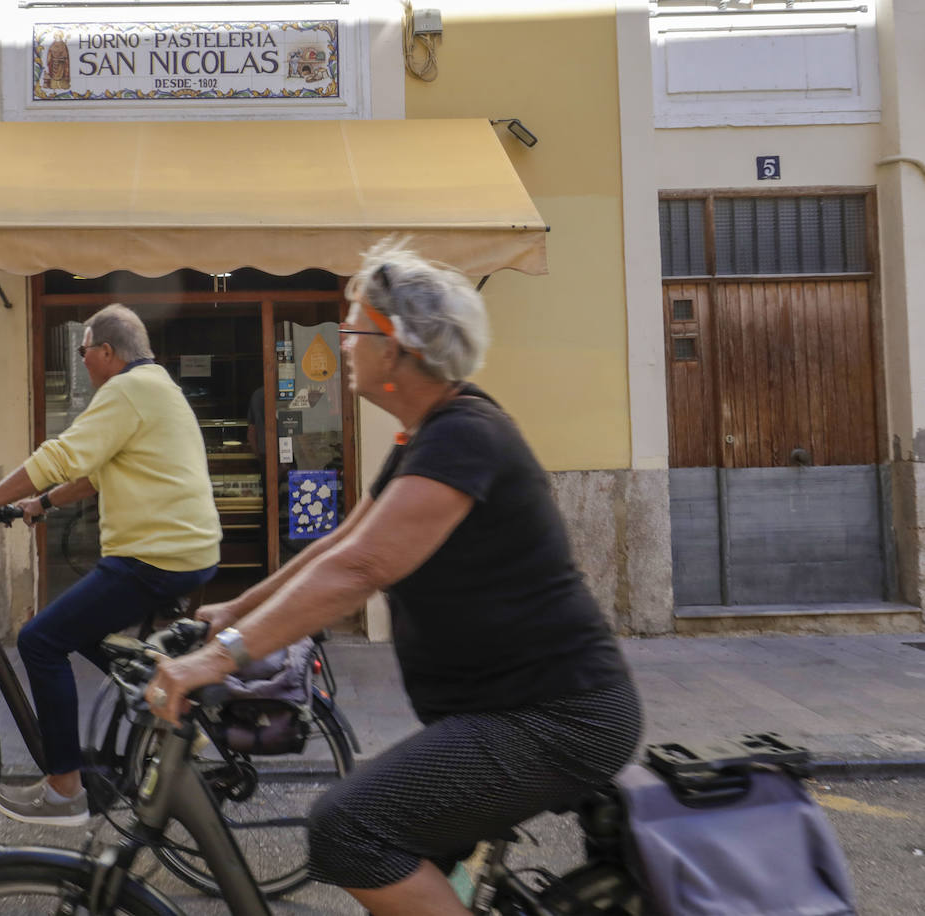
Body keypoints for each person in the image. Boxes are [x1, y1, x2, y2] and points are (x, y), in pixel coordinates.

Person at [145, 239, 644, 915]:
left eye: (352, 330)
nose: (342, 344)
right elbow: (342, 543)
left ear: (398, 348)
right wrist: (232, 611)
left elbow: (362, 569)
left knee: (348, 830)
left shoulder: (465, 435)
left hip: (556, 715)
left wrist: (221, 658)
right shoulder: (424, 436)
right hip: (500, 709)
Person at [0, 303, 220, 826]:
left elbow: (57, 458)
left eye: (84, 353)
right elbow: (93, 472)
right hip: (183, 553)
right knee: (79, 629)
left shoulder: (127, 390)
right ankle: (171, 695)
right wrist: (39, 506)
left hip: (155, 556)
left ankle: (64, 789)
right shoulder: (157, 387)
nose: (83, 363)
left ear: (107, 352)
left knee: (40, 641)